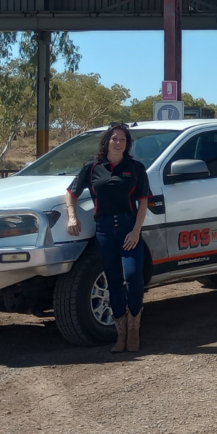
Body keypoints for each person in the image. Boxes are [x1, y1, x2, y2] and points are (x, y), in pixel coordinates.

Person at [64, 123, 152, 353]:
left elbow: (143, 201)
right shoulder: (92, 168)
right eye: (114, 138)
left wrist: (136, 230)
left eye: (123, 139)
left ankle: (134, 332)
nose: (118, 142)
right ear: (107, 142)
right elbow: (70, 193)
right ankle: (121, 335)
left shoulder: (135, 168)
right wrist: (72, 217)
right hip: (104, 230)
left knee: (133, 277)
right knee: (113, 282)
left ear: (127, 144)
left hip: (128, 230)